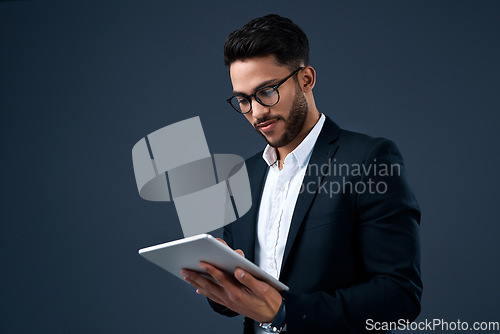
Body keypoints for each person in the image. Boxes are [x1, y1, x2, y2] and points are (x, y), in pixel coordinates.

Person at [181, 14, 422, 334]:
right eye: (243, 100)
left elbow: (400, 297)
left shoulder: (368, 159)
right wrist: (224, 284)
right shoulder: (242, 175)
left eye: (267, 91)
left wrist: (285, 312)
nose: (256, 112)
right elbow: (237, 303)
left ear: (306, 79)